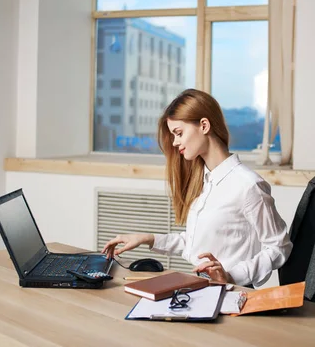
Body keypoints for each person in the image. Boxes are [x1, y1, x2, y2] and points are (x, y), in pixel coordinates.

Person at [102, 89, 292, 287]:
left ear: (204, 125)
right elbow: (195, 242)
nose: (175, 142)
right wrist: (147, 239)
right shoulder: (204, 181)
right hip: (203, 286)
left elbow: (279, 247)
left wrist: (230, 276)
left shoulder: (248, 185)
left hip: (232, 292)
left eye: (179, 133)